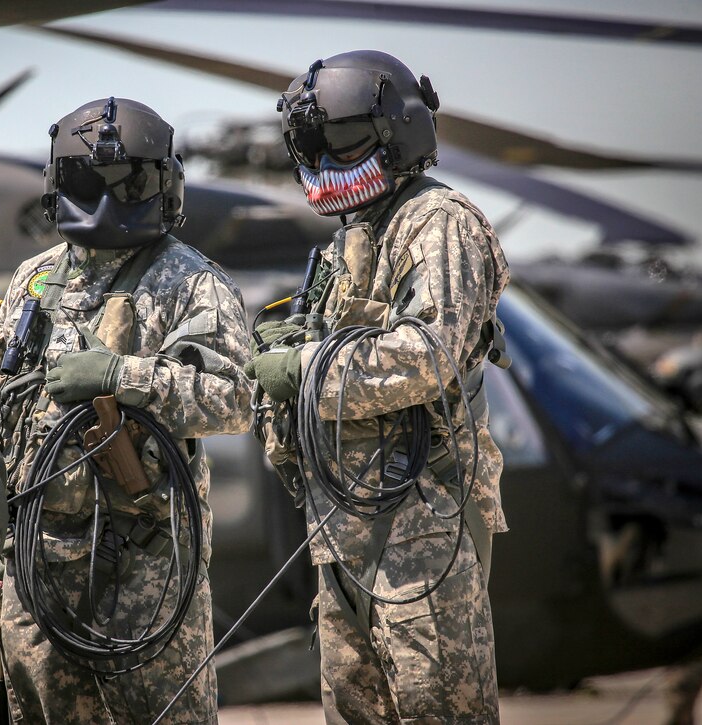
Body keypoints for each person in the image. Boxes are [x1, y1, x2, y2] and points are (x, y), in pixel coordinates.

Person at [0, 96, 253, 725]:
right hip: (36, 564)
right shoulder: (35, 279)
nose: (108, 200)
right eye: (90, 182)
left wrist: (126, 377)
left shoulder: (191, 282)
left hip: (143, 567)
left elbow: (234, 399)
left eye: (130, 183)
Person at [245, 51, 511, 723]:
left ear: (396, 132)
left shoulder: (438, 222)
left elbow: (431, 355)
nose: (328, 161)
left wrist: (306, 368)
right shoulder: (351, 240)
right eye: (314, 145)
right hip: (345, 537)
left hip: (424, 535)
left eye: (342, 141)